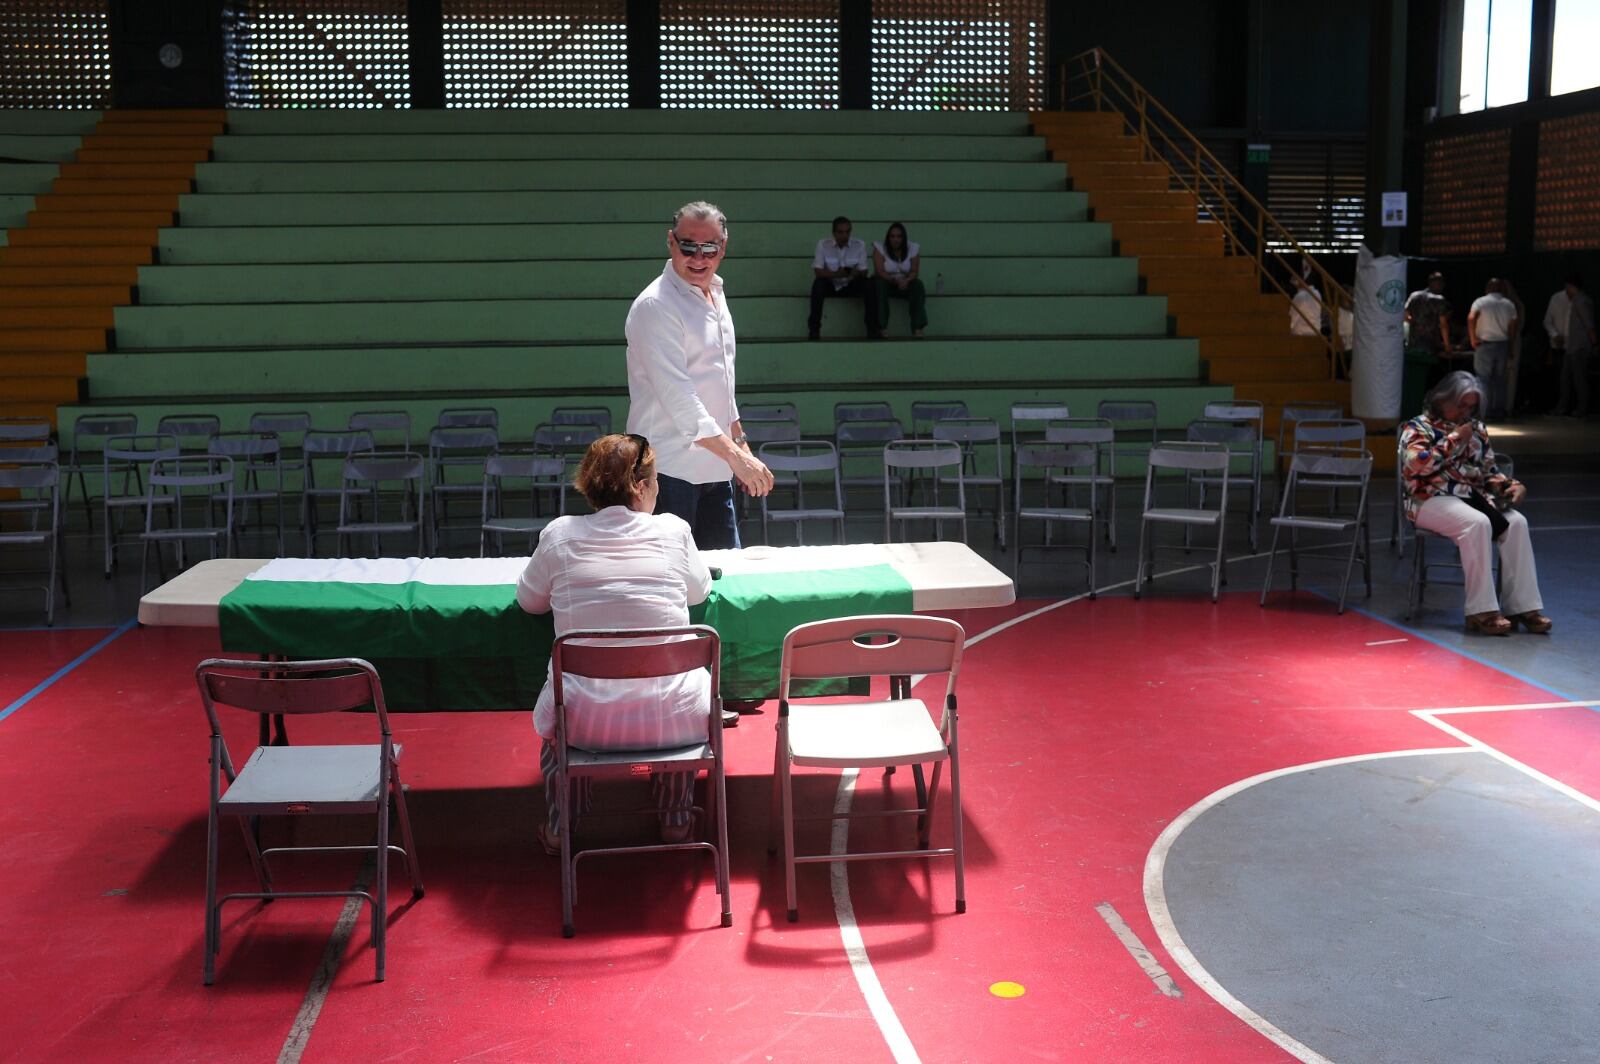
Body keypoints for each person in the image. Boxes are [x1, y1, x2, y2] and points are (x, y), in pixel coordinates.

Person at [516, 433, 715, 852]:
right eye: (657, 478)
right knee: (675, 699)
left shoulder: (558, 535)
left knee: (559, 724)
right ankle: (676, 818)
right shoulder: (675, 532)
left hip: (584, 723)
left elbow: (529, 602)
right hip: (674, 717)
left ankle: (562, 824)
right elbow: (698, 593)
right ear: (641, 486)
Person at [625, 200, 773, 550]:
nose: (698, 257)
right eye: (688, 246)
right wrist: (737, 459)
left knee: (726, 581)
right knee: (670, 585)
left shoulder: (715, 294)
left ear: (724, 246)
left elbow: (721, 383)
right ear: (670, 241)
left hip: (715, 469)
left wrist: (740, 444)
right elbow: (682, 400)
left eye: (709, 248)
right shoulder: (655, 305)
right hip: (666, 474)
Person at [1400, 371, 1551, 637]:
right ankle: (1481, 612)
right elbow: (1418, 465)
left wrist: (1510, 485)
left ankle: (1523, 607)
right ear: (1442, 399)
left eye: (1471, 406)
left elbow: (1488, 470)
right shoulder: (1417, 428)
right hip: (1427, 499)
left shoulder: (1477, 430)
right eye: (1461, 405)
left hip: (1472, 497)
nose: (1465, 412)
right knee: (1476, 523)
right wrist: (1455, 439)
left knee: (1517, 522)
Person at [808, 215, 879, 340]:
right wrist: (837, 274)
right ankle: (814, 330)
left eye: (847, 232)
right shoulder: (823, 244)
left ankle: (872, 330)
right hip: (831, 284)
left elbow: (864, 271)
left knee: (869, 284)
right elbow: (818, 271)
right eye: (840, 232)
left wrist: (854, 273)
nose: (844, 235)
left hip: (851, 284)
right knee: (818, 284)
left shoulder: (859, 244)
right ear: (834, 233)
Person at [1545, 273, 1597, 417]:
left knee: (1579, 378)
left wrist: (1594, 343)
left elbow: (1589, 325)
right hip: (1571, 346)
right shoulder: (1576, 301)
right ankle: (1563, 407)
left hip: (1579, 346)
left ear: (1571, 286)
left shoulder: (1581, 301)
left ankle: (1581, 408)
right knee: (1566, 377)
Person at [1467, 278, 1519, 419]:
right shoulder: (1509, 304)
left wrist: (1472, 338)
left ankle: (1484, 411)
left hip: (1484, 344)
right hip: (1502, 343)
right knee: (1500, 380)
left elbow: (1471, 318)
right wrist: (1511, 347)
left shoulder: (1480, 302)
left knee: (1483, 379)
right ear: (1502, 289)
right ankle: (1499, 411)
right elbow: (1512, 328)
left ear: (1487, 289)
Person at [872, 221, 927, 338]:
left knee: (918, 285)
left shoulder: (913, 248)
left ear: (904, 238)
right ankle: (882, 327)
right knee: (879, 284)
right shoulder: (880, 248)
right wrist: (894, 280)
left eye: (899, 236)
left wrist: (906, 281)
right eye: (892, 236)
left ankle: (917, 327)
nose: (895, 239)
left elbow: (914, 271)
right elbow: (879, 271)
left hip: (905, 282)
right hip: (887, 281)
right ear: (888, 237)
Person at [1405, 271, 1456, 383]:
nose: (1442, 286)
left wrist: (1415, 323)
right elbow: (1443, 324)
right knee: (1427, 376)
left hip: (1413, 343)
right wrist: (1447, 346)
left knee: (1414, 374)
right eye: (1441, 283)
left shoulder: (1414, 296)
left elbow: (1405, 315)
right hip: (1430, 344)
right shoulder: (1438, 300)